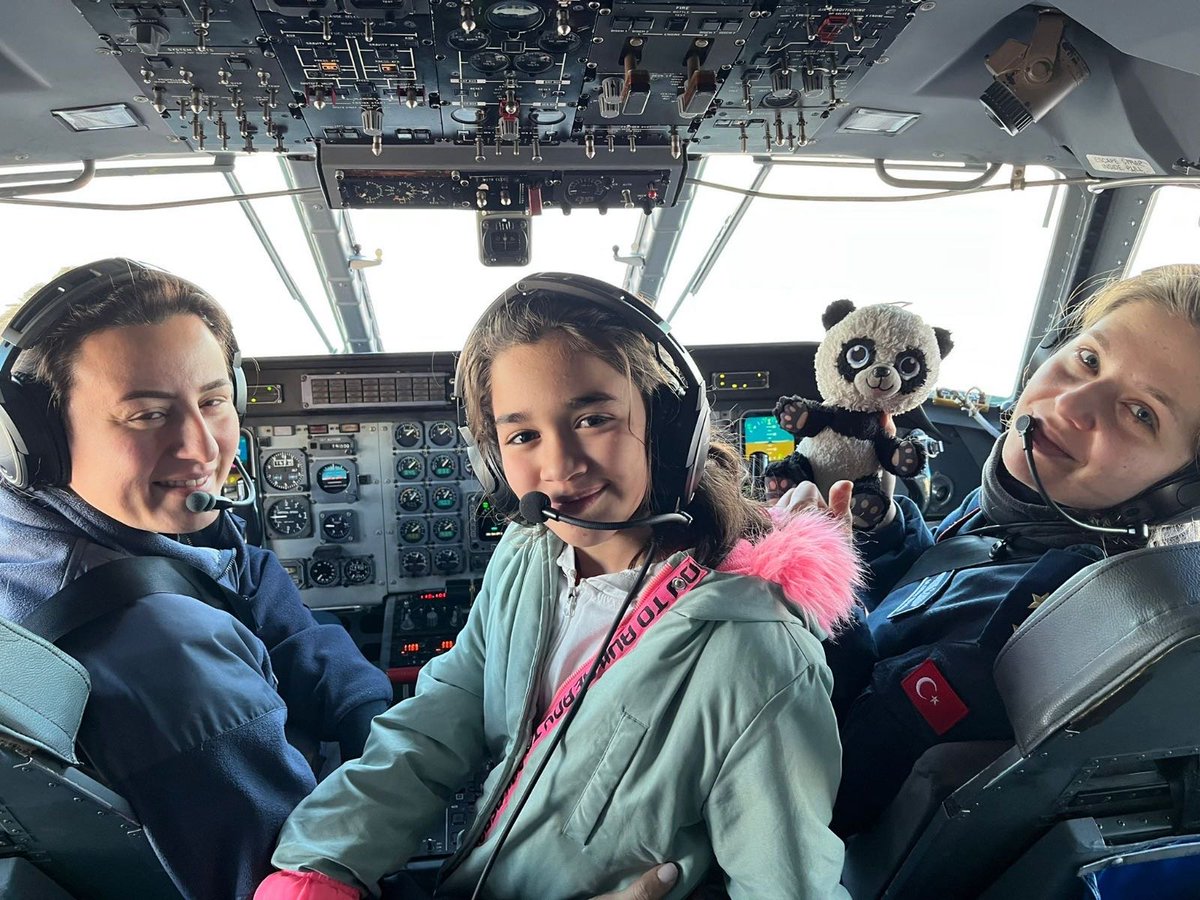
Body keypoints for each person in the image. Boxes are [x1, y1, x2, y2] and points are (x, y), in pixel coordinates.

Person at [256, 274, 860, 899]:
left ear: (670, 425)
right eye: (522, 436)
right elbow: (437, 723)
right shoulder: (528, 556)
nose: (560, 465)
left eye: (595, 418)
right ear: (493, 459)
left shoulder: (760, 656)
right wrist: (319, 861)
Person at [0, 259, 393, 899]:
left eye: (212, 401)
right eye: (148, 415)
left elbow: (238, 574)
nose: (202, 450)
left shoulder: (82, 517)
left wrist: (366, 713)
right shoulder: (168, 660)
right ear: (34, 439)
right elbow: (303, 876)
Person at [781, 264, 1200, 836]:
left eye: (1141, 413)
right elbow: (937, 586)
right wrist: (881, 535)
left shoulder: (1058, 620)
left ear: (1182, 492)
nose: (1076, 402)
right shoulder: (1029, 509)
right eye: (1089, 359)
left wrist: (813, 584)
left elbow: (835, 767)